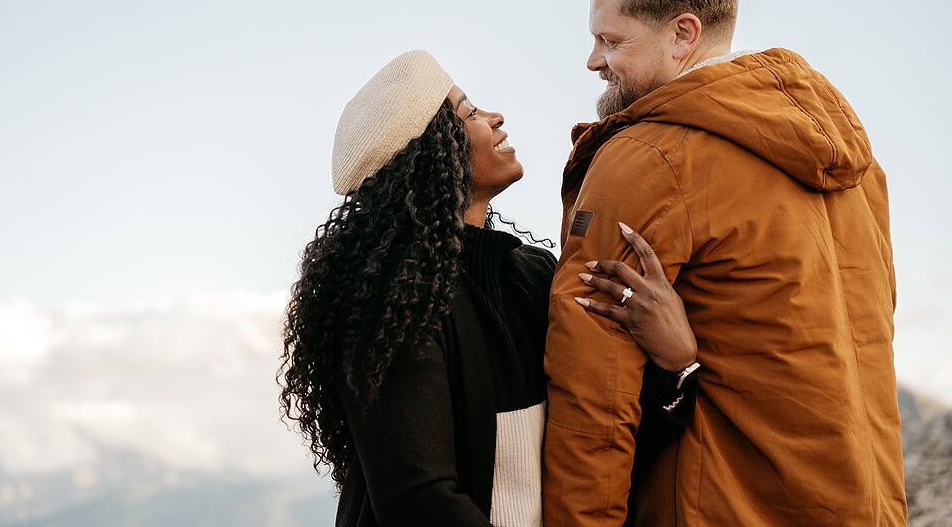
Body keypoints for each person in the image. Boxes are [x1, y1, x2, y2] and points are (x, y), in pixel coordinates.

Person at [542, 0, 906, 525]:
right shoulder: (859, 170)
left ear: (684, 33)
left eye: (611, 39)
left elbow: (593, 401)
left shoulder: (647, 159)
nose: (593, 60)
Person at [279, 50, 700, 526]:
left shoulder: (532, 275)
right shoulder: (392, 306)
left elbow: (600, 440)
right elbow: (421, 502)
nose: (494, 116)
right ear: (429, 153)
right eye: (469, 112)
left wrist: (675, 362)